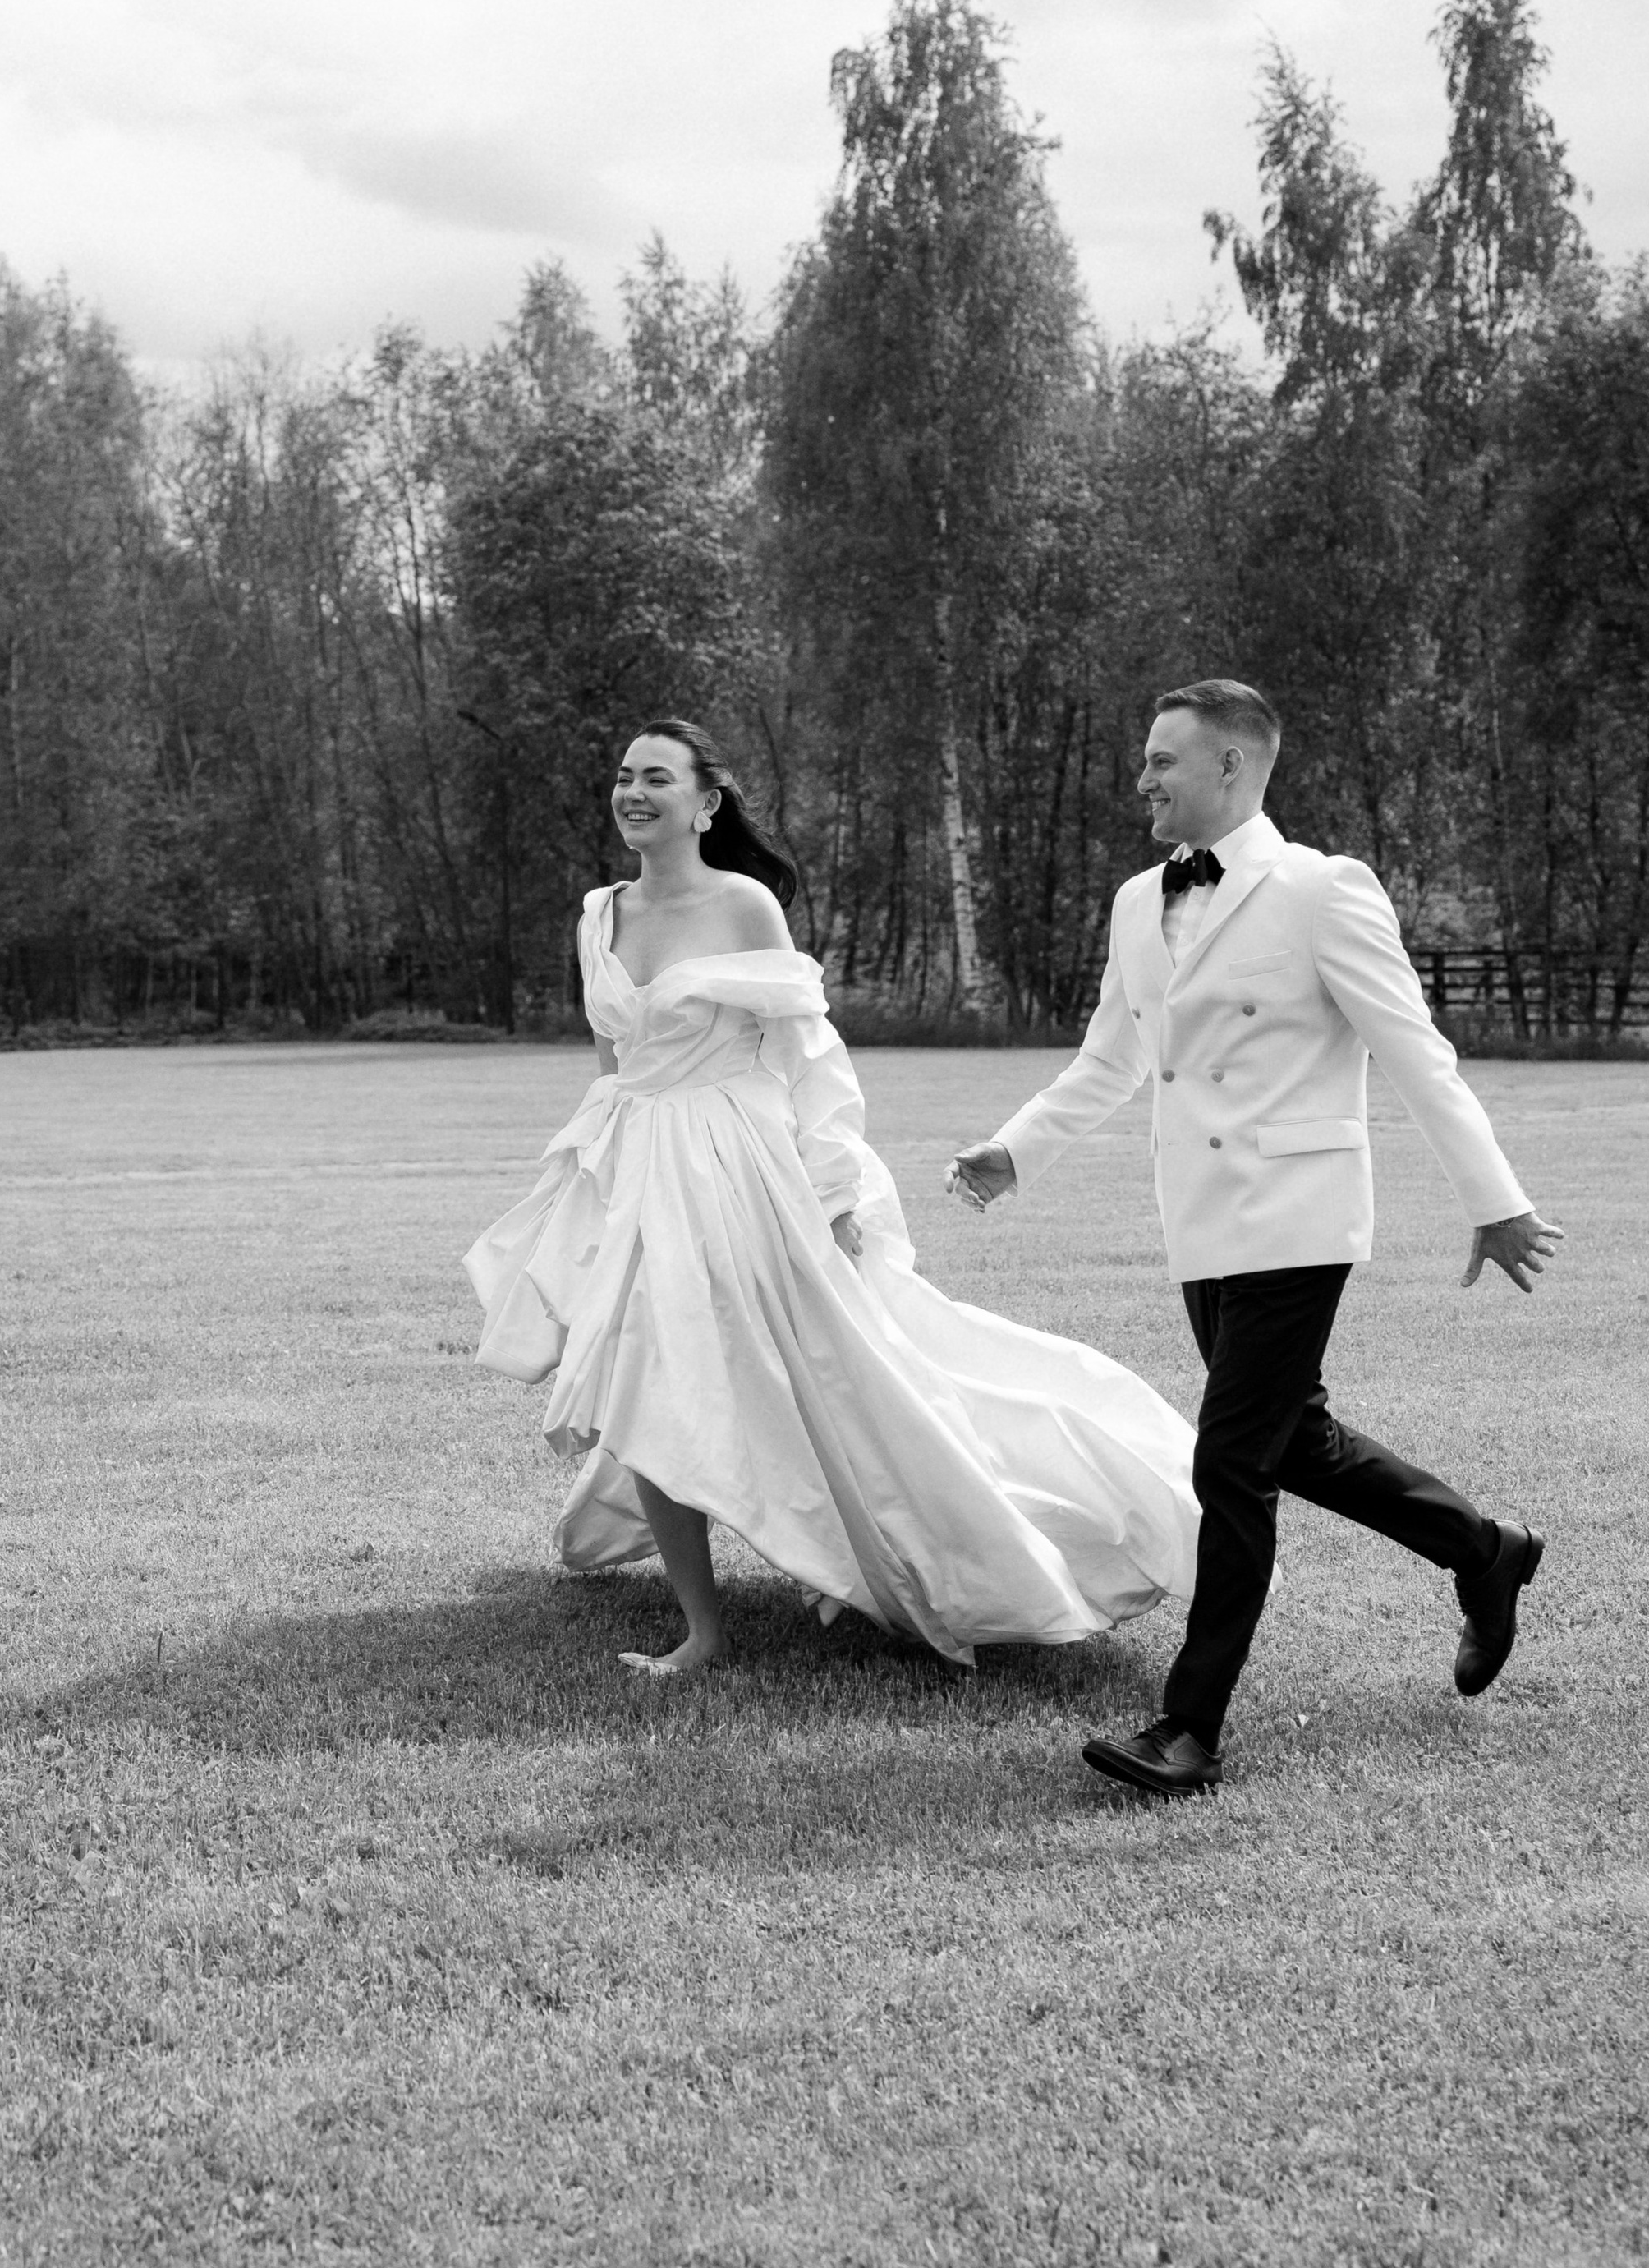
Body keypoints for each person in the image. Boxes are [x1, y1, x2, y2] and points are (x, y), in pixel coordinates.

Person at [466, 718, 1200, 1676]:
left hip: (739, 1167)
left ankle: (917, 1548)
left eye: (656, 777)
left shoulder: (744, 907)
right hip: (639, 1163)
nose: (633, 792)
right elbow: (613, 1064)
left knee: (819, 1372)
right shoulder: (596, 911)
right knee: (644, 1371)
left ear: (705, 802)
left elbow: (808, 1058)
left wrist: (837, 1192)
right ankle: (703, 1630)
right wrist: (597, 1177)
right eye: (622, 776)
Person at [949, 679, 1564, 1797]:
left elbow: (1415, 1051)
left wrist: (1495, 1197)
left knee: (1231, 1461)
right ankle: (1486, 1549)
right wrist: (1016, 1149)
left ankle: (1189, 1727)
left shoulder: (1323, 890)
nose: (1141, 777)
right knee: (1293, 1443)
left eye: (1160, 760)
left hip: (1298, 1215)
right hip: (1201, 1223)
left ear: (1231, 767)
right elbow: (1112, 1060)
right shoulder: (1141, 901)